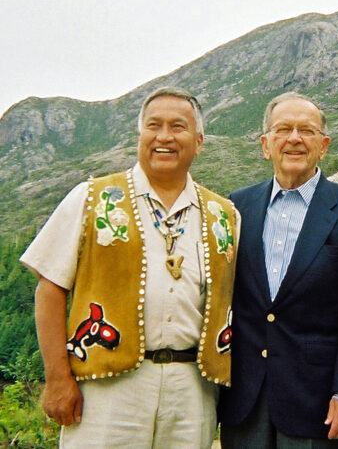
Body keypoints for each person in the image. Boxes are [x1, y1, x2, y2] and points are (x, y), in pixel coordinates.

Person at [22, 86, 239, 448]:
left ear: (199, 141)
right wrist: (58, 378)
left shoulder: (225, 216)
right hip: (107, 390)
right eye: (154, 125)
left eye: (178, 127)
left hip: (191, 392)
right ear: (140, 135)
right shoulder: (92, 198)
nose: (164, 136)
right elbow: (50, 288)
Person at [218, 92, 338, 448]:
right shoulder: (235, 206)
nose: (294, 138)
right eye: (283, 130)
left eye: (306, 130)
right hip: (245, 399)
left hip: (318, 399)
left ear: (323, 146)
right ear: (266, 144)